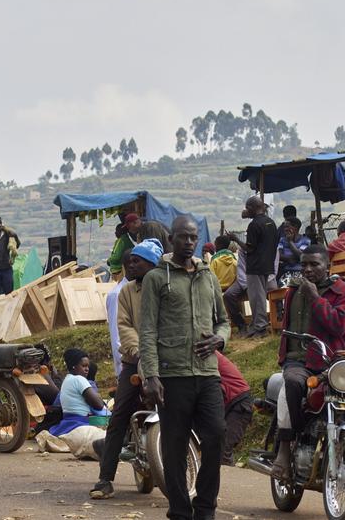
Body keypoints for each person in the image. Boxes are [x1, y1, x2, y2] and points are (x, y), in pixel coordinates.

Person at [140, 215, 230, 520]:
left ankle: (205, 508)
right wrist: (151, 375)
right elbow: (148, 330)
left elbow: (224, 321)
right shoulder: (156, 278)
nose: (189, 242)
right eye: (183, 237)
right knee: (175, 448)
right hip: (171, 374)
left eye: (193, 237)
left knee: (216, 435)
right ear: (172, 239)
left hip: (206, 373)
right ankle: (179, 511)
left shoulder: (209, 276)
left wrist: (220, 339)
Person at [271, 244, 345, 478]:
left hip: (332, 362)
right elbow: (287, 329)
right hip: (298, 361)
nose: (307, 269)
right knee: (292, 382)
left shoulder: (344, 292)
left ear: (327, 267)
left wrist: (316, 297)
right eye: (304, 264)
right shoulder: (293, 291)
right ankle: (286, 448)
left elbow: (338, 326)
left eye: (314, 264)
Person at [90, 238, 163, 500]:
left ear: (152, 264)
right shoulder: (126, 292)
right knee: (120, 412)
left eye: (136, 260)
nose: (130, 265)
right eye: (130, 260)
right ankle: (105, 478)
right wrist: (141, 351)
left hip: (166, 357)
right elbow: (125, 327)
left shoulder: (166, 286)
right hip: (135, 358)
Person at [239, 196, 279, 338]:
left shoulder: (254, 225)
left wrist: (235, 239)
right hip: (267, 265)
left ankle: (260, 327)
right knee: (260, 295)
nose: (246, 211)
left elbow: (249, 248)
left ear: (252, 208)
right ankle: (257, 325)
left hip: (255, 266)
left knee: (257, 297)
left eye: (247, 208)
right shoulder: (271, 223)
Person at [49, 349, 105, 436]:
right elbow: (99, 405)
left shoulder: (67, 380)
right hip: (81, 422)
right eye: (84, 366)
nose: (87, 369)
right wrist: (98, 397)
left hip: (67, 423)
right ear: (74, 366)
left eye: (88, 366)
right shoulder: (79, 379)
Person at [216, 352, 252, 467]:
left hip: (239, 403)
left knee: (223, 450)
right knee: (218, 448)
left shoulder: (206, 353)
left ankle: (225, 482)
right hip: (228, 403)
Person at [105, 248, 134, 377]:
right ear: (127, 266)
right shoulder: (117, 294)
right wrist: (123, 364)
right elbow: (116, 334)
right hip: (128, 365)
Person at [277, 218, 311, 287]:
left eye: (287, 227)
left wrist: (290, 242)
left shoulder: (305, 240)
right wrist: (291, 258)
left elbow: (301, 256)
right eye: (284, 227)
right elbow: (279, 255)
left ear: (295, 227)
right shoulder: (282, 240)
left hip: (300, 272)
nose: (285, 229)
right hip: (285, 272)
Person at [223, 246, 249, 335]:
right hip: (243, 280)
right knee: (228, 295)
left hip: (260, 279)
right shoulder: (242, 250)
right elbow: (240, 271)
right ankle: (240, 324)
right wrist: (246, 285)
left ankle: (261, 323)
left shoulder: (265, 246)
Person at [107, 213, 141, 280]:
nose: (115, 233)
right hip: (127, 269)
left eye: (116, 231)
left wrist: (109, 261)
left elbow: (116, 257)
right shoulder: (127, 241)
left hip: (119, 271)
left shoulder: (120, 241)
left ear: (120, 231)